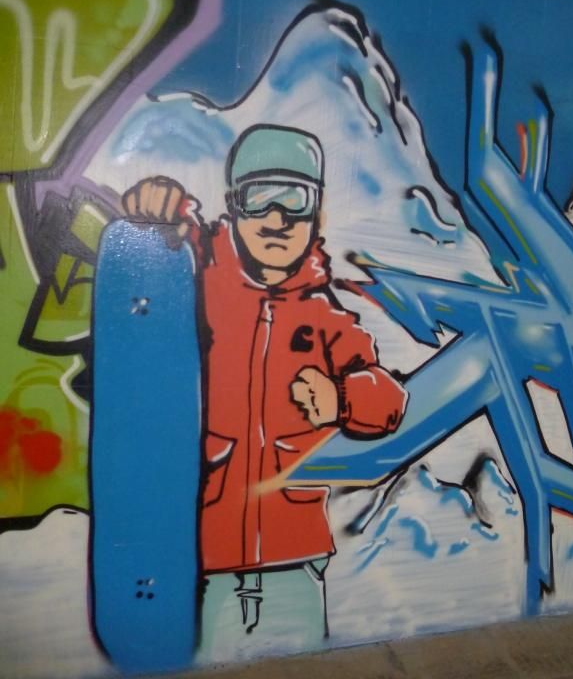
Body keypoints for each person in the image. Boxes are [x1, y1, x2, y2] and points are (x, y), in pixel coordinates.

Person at [122, 124, 407, 654]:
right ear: (234, 205)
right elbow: (174, 229)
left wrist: (343, 399)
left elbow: (388, 398)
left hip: (294, 557)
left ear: (317, 215)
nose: (277, 219)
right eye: (260, 197)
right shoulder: (199, 279)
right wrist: (159, 204)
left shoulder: (322, 316)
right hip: (200, 556)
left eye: (295, 199)